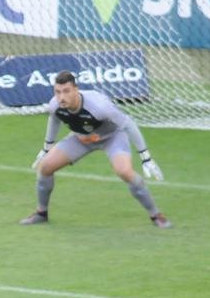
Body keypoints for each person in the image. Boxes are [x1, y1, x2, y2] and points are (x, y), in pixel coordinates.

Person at [20, 70, 171, 229]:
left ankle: (156, 215)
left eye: (66, 91)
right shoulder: (55, 105)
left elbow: (128, 124)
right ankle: (41, 213)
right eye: (57, 92)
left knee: (124, 171)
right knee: (45, 167)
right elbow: (54, 120)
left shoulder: (100, 107)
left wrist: (145, 157)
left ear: (76, 90)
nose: (61, 97)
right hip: (82, 138)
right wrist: (46, 148)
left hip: (112, 137)